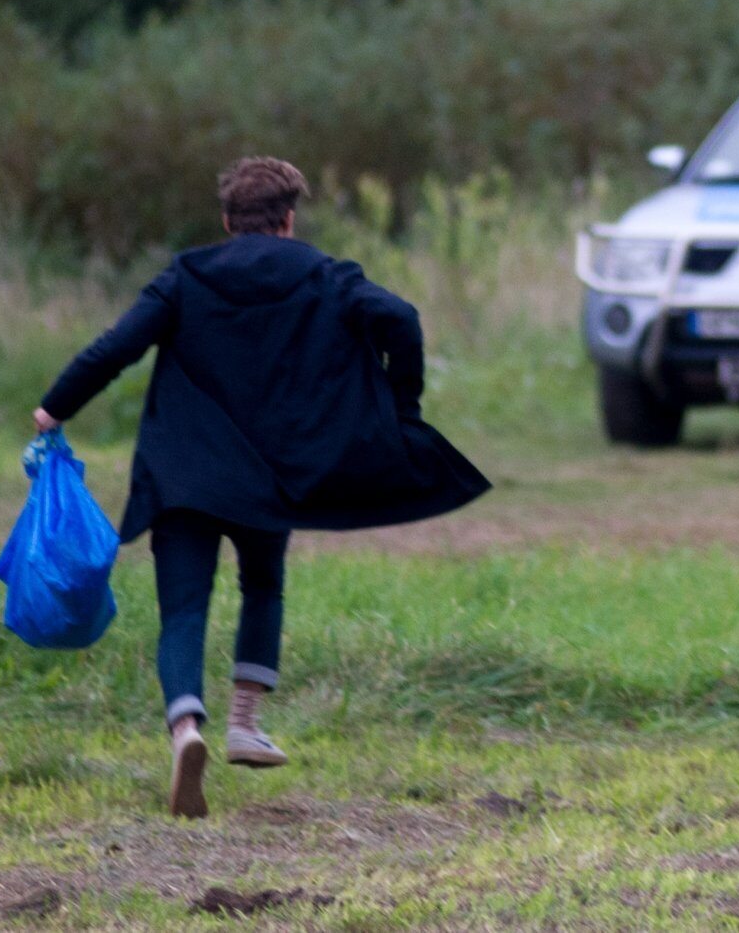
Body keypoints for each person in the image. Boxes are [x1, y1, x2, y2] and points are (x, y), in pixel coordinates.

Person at [33, 157, 490, 819]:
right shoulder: (323, 274)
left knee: (183, 607)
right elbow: (402, 318)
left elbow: (116, 347)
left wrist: (55, 406)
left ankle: (187, 729)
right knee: (263, 583)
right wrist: (402, 408)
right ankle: (245, 723)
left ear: (226, 220)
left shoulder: (187, 276)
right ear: (289, 218)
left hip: (183, 472)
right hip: (270, 476)